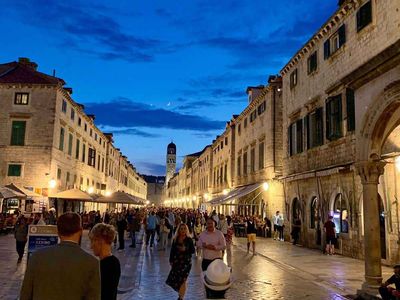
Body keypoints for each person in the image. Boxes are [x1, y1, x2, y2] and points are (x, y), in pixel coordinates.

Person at [20, 212, 100, 300]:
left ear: (58, 232)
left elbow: (25, 294)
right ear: (80, 231)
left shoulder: (37, 257)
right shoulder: (91, 263)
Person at [89, 223, 121, 300]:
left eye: (93, 241)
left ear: (101, 240)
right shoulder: (114, 262)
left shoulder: (104, 266)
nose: (91, 246)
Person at [166, 223, 195, 300]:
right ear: (178, 230)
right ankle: (180, 294)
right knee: (176, 279)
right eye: (181, 229)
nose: (183, 230)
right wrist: (171, 260)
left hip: (186, 263)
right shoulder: (175, 239)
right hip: (177, 262)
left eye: (184, 229)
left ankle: (181, 298)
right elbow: (172, 251)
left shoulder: (189, 240)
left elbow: (193, 251)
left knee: (184, 280)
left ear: (186, 230)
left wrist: (185, 249)